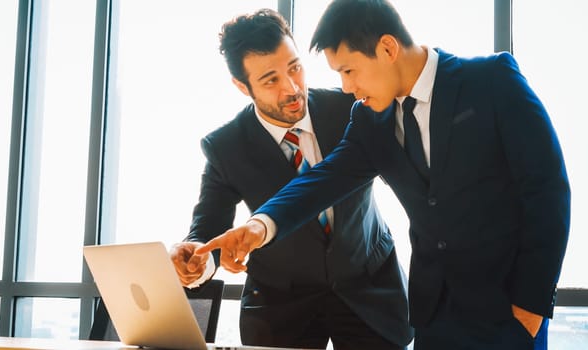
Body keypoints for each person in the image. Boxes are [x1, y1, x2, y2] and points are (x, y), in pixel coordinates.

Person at [196, 1, 571, 349]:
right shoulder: (368, 119)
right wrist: (261, 226)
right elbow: (323, 179)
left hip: (508, 311)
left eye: (348, 70)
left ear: (388, 49)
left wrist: (532, 301)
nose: (345, 87)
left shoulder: (492, 81)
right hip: (433, 316)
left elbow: (547, 191)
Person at [169, 8, 413, 350]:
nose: (292, 88)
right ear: (242, 86)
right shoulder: (225, 147)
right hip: (281, 309)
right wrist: (198, 260)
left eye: (295, 68)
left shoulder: (352, 108)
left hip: (370, 291)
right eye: (270, 79)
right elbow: (208, 227)